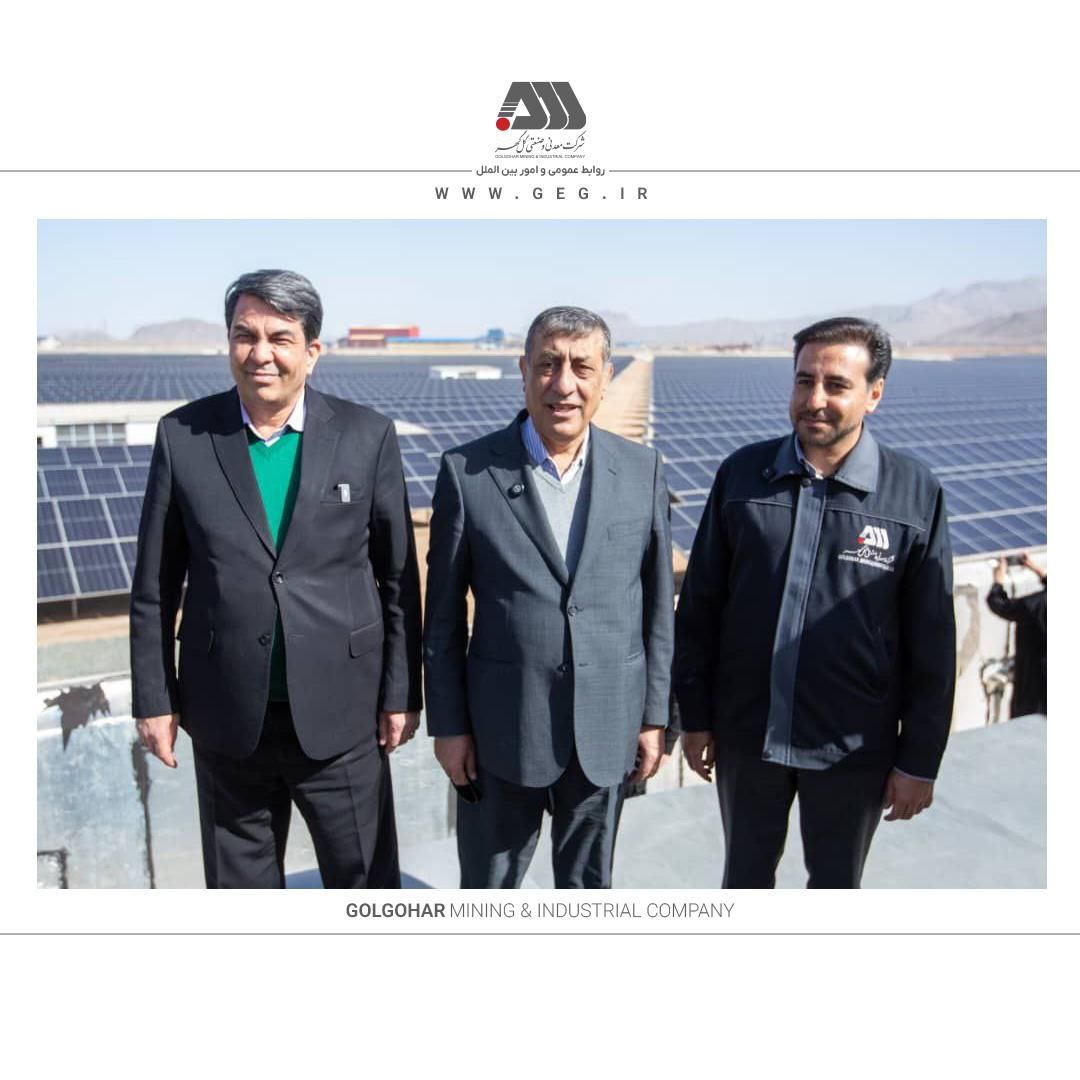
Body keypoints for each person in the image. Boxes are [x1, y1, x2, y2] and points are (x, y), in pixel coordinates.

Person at [129, 269, 422, 888]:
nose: (260, 353)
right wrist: (154, 698)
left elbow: (398, 579)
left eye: (280, 338)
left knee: (366, 887)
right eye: (245, 335)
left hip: (346, 717)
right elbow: (155, 584)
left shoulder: (367, 436)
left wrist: (401, 691)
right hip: (227, 715)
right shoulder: (183, 437)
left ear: (312, 352)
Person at [674, 316, 956, 888]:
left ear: (874, 394)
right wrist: (695, 718)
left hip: (852, 749)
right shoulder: (743, 476)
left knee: (834, 889)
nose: (815, 400)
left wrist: (919, 760)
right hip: (747, 737)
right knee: (743, 881)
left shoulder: (912, 493)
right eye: (804, 381)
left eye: (836, 385)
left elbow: (933, 643)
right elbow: (701, 607)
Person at [423, 306, 674, 888]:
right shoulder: (468, 472)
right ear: (523, 370)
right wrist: (449, 726)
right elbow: (442, 619)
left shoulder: (642, 470)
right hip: (500, 733)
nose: (564, 384)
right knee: (488, 890)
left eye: (582, 367)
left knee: (587, 890)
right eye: (547, 365)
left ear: (606, 376)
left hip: (607, 726)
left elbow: (659, 610)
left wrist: (654, 716)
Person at [987, 553, 1047, 717]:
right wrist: (1038, 571)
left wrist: (998, 582)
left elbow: (1000, 605)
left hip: (1035, 688)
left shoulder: (1038, 604)